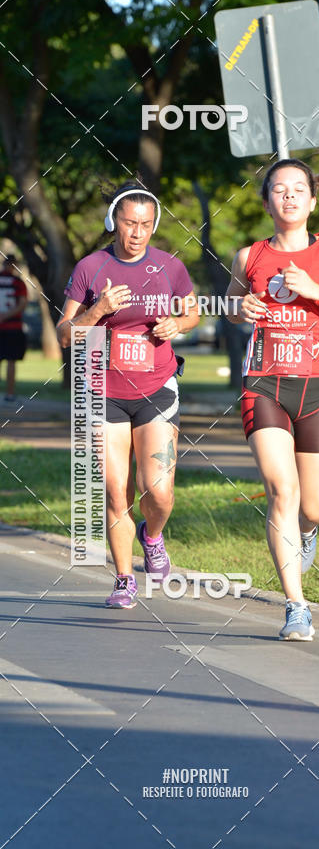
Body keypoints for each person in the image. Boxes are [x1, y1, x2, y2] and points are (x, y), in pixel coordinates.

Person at [226, 151, 319, 641]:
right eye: (279, 189)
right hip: (264, 383)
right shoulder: (250, 256)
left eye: (298, 190)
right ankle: (296, 606)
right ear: (267, 202)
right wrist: (238, 307)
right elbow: (231, 304)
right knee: (281, 491)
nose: (288, 196)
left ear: (311, 200)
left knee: (312, 506)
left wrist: (317, 292)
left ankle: (307, 534)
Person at [57, 180, 198, 608]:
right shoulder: (90, 267)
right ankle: (123, 577)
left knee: (158, 491)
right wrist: (98, 310)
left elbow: (191, 312)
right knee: (115, 489)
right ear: (113, 220)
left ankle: (151, 536)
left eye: (146, 224)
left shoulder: (170, 266)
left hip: (156, 386)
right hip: (102, 388)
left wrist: (178, 325)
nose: (137, 232)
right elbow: (65, 334)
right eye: (129, 222)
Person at [0, 254, 28, 402]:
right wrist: (7, 315)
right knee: (11, 361)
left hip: (9, 325)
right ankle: (9, 394)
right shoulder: (18, 283)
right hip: (12, 325)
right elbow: (22, 303)